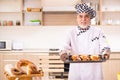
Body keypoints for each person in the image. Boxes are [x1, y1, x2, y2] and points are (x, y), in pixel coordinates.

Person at [60, 3, 111, 80]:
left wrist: (106, 52)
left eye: (86, 16)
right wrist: (63, 52)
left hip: (94, 71)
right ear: (77, 18)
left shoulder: (98, 32)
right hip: (77, 71)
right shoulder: (71, 32)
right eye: (80, 16)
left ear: (90, 18)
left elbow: (104, 45)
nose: (83, 19)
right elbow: (65, 46)